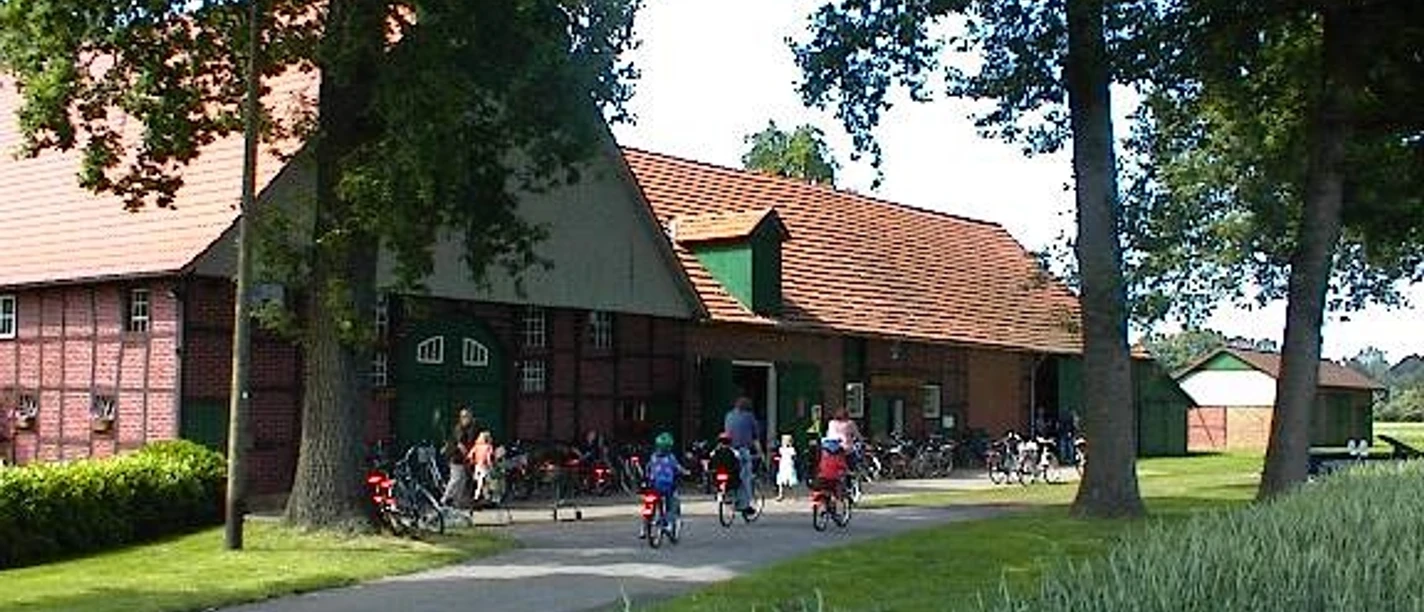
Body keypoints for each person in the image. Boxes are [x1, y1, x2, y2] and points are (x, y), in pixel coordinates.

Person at [639, 431, 688, 539]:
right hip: (667, 486)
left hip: (653, 485)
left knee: (648, 504)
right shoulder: (671, 458)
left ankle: (643, 529)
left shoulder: (653, 457)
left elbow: (647, 469)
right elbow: (678, 468)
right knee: (673, 504)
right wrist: (686, 472)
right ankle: (668, 524)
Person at [723, 396, 763, 517]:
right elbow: (755, 439)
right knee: (745, 477)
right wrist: (761, 454)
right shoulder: (749, 417)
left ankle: (727, 494)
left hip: (729, 451)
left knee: (732, 473)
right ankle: (745, 505)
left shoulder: (728, 415)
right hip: (742, 450)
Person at [441, 408, 478, 508]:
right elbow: (460, 444)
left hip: (462, 458)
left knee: (463, 479)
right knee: (456, 478)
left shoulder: (470, 427)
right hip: (455, 457)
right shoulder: (459, 428)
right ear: (461, 418)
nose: (467, 418)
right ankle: (444, 499)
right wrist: (467, 454)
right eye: (464, 417)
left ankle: (457, 501)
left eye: (468, 416)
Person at [468, 430, 495, 503]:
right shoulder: (488, 447)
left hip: (477, 466)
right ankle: (484, 497)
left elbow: (470, 456)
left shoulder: (476, 446)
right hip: (484, 466)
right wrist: (491, 465)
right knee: (486, 482)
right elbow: (488, 457)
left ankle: (477, 496)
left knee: (479, 482)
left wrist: (472, 462)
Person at [775, 433, 798, 501]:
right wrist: (778, 459)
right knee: (781, 481)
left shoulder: (791, 449)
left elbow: (794, 456)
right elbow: (781, 456)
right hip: (782, 466)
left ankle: (793, 495)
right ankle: (780, 494)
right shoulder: (781, 449)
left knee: (791, 482)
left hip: (789, 466)